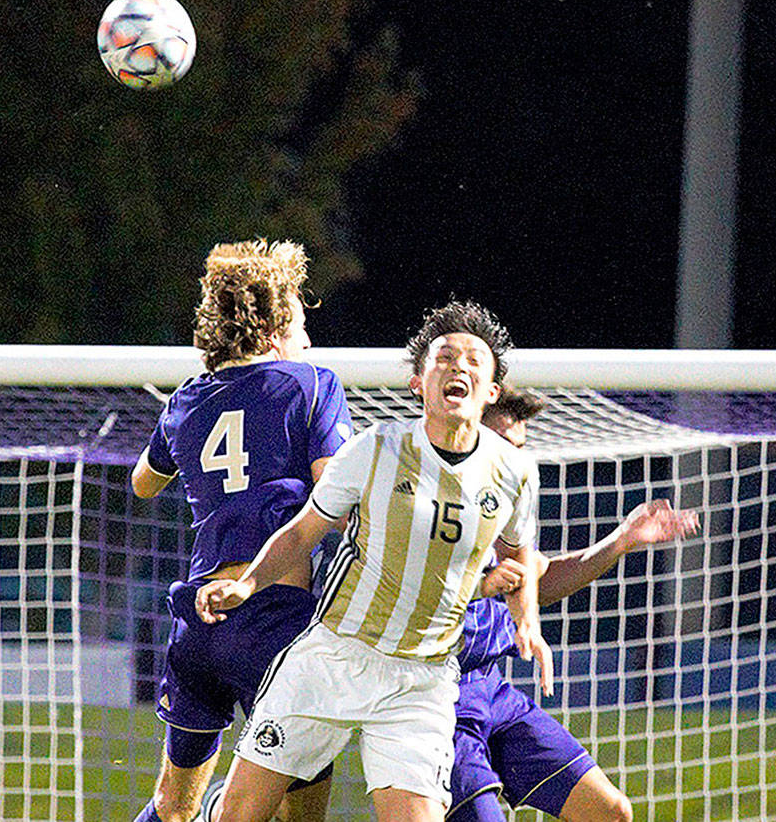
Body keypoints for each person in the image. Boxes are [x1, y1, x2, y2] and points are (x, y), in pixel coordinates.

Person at [196, 300, 553, 822]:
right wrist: (247, 585)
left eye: (475, 360)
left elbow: (521, 551)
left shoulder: (515, 473)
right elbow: (301, 534)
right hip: (334, 656)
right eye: (445, 357)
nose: (460, 367)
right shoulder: (373, 450)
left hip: (420, 678)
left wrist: (528, 619)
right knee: (238, 816)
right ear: (418, 381)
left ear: (492, 390)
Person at [129, 239, 354, 822]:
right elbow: (338, 492)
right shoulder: (310, 384)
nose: (308, 338)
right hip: (274, 621)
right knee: (294, 813)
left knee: (172, 807)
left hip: (199, 622)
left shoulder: (184, 402)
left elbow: (142, 484)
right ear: (276, 324)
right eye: (302, 321)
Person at [445, 386, 700, 822]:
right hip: (439, 701)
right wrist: (481, 585)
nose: (516, 460)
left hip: (494, 691)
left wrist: (620, 541)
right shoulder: (434, 504)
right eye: (504, 445)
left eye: (521, 448)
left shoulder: (507, 512)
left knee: (611, 812)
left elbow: (538, 580)